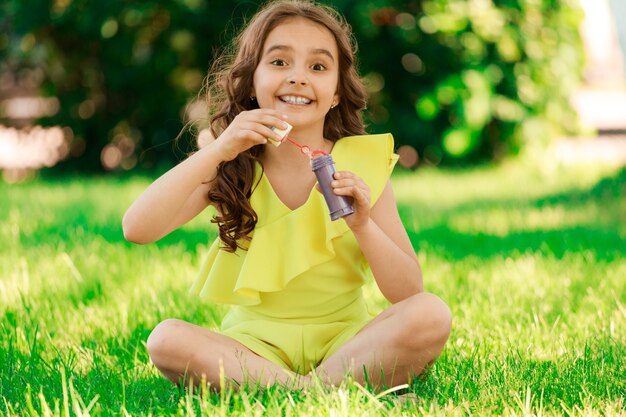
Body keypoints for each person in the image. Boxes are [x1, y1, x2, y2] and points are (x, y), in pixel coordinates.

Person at [122, 0, 451, 392]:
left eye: (317, 66)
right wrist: (217, 150)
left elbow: (408, 293)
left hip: (346, 343)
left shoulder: (363, 162)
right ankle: (320, 392)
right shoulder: (229, 163)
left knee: (432, 313)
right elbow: (137, 229)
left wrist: (362, 226)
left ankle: (289, 390)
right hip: (252, 348)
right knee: (165, 340)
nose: (297, 77)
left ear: (335, 94)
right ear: (251, 81)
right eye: (279, 62)